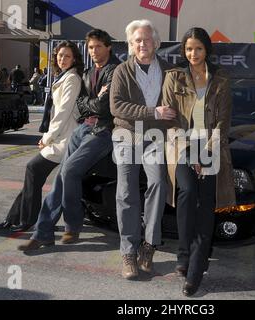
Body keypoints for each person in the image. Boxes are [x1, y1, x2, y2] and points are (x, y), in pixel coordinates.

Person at [17, 30, 120, 251]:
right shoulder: (88, 73)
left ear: (108, 47)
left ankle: (72, 225)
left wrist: (94, 102)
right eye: (91, 47)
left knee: (69, 171)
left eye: (98, 47)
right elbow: (83, 105)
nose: (94, 51)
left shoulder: (116, 70)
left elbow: (104, 108)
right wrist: (95, 99)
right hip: (83, 128)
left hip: (105, 131)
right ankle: (44, 232)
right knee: (61, 178)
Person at [162, 27, 236, 296]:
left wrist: (206, 153)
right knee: (187, 192)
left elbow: (223, 122)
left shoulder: (222, 80)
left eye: (199, 48)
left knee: (205, 204)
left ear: (207, 50)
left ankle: (194, 270)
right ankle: (184, 252)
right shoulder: (173, 77)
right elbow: (169, 119)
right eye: (189, 48)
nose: (193, 53)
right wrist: (189, 152)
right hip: (181, 147)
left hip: (211, 147)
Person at [110, 19, 176, 280]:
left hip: (156, 137)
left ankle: (148, 247)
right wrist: (153, 112)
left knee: (158, 183)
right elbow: (117, 107)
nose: (142, 44)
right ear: (130, 44)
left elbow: (179, 105)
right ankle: (128, 251)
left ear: (156, 43)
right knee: (126, 191)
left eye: (146, 39)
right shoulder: (121, 72)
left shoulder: (170, 71)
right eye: (136, 40)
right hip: (127, 134)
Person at [0, 41, 83, 233]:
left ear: (74, 58)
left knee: (33, 169)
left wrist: (47, 138)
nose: (63, 59)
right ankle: (13, 218)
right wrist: (47, 135)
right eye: (60, 55)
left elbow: (63, 113)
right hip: (58, 136)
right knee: (32, 176)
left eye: (67, 56)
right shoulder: (63, 76)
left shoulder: (72, 79)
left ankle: (27, 220)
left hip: (64, 138)